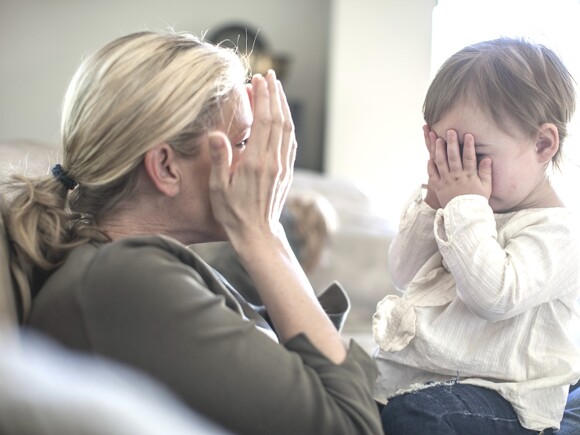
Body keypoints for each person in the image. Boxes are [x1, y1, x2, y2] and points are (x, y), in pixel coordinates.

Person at [1, 30, 382, 435]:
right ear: (166, 167)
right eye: (244, 141)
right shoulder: (125, 280)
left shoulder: (127, 266)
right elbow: (353, 426)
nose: (261, 163)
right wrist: (263, 233)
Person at [372, 37, 580, 434]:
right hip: (429, 381)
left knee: (418, 416)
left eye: (475, 155)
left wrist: (465, 206)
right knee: (343, 388)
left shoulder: (559, 232)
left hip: (505, 400)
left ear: (543, 144)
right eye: (445, 154)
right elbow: (405, 272)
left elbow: (495, 295)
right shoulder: (460, 205)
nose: (459, 172)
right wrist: (435, 203)